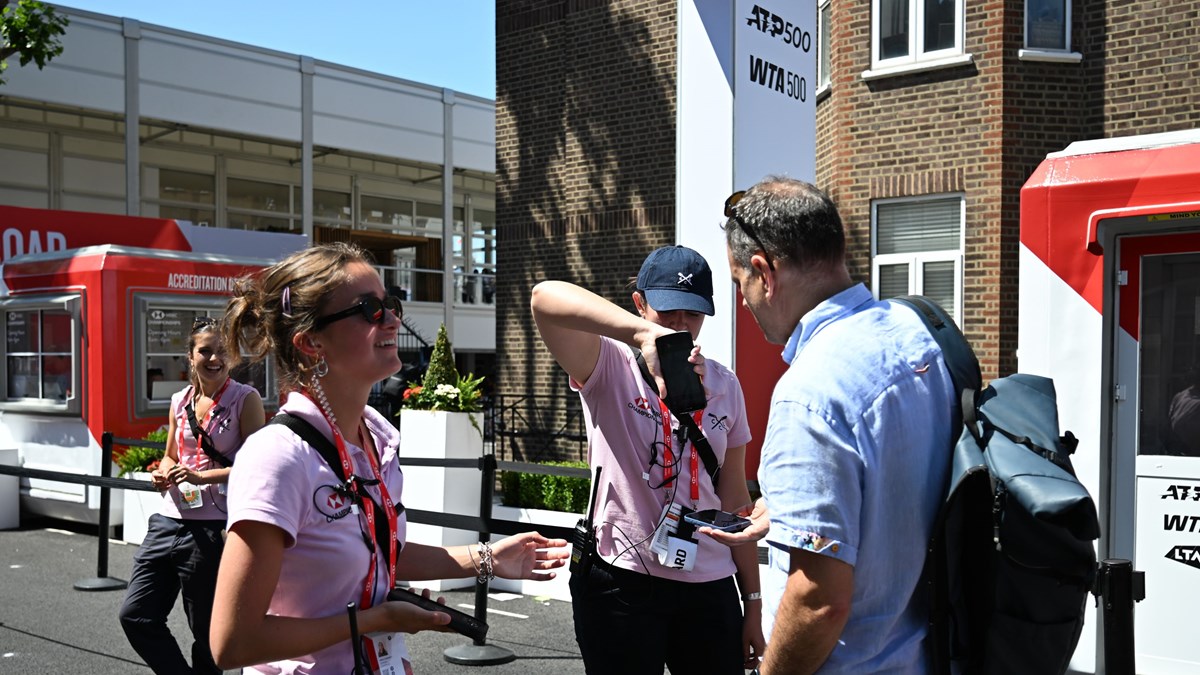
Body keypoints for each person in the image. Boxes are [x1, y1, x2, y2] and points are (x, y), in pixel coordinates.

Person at [210, 242, 568, 674]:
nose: (394, 319)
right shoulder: (278, 457)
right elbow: (232, 643)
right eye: (369, 309)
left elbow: (384, 552)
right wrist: (374, 620)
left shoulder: (377, 439)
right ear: (311, 343)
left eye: (391, 303)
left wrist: (489, 559)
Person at [723, 177, 957, 674]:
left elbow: (818, 601)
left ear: (764, 273)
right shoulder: (918, 332)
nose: (743, 302)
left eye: (739, 282)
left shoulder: (808, 393)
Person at [530, 244, 766, 674]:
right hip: (621, 582)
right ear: (640, 303)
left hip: (709, 584)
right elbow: (544, 297)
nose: (680, 324)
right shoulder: (609, 364)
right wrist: (642, 336)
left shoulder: (725, 384)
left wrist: (752, 601)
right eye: (667, 311)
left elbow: (734, 499)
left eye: (692, 314)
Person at [119, 316, 266, 674]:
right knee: (136, 615)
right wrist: (164, 470)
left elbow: (258, 464)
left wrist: (203, 476)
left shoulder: (245, 399)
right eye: (206, 351)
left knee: (206, 633)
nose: (214, 358)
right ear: (190, 356)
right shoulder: (179, 400)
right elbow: (171, 453)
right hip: (168, 521)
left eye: (222, 352)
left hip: (212, 529)